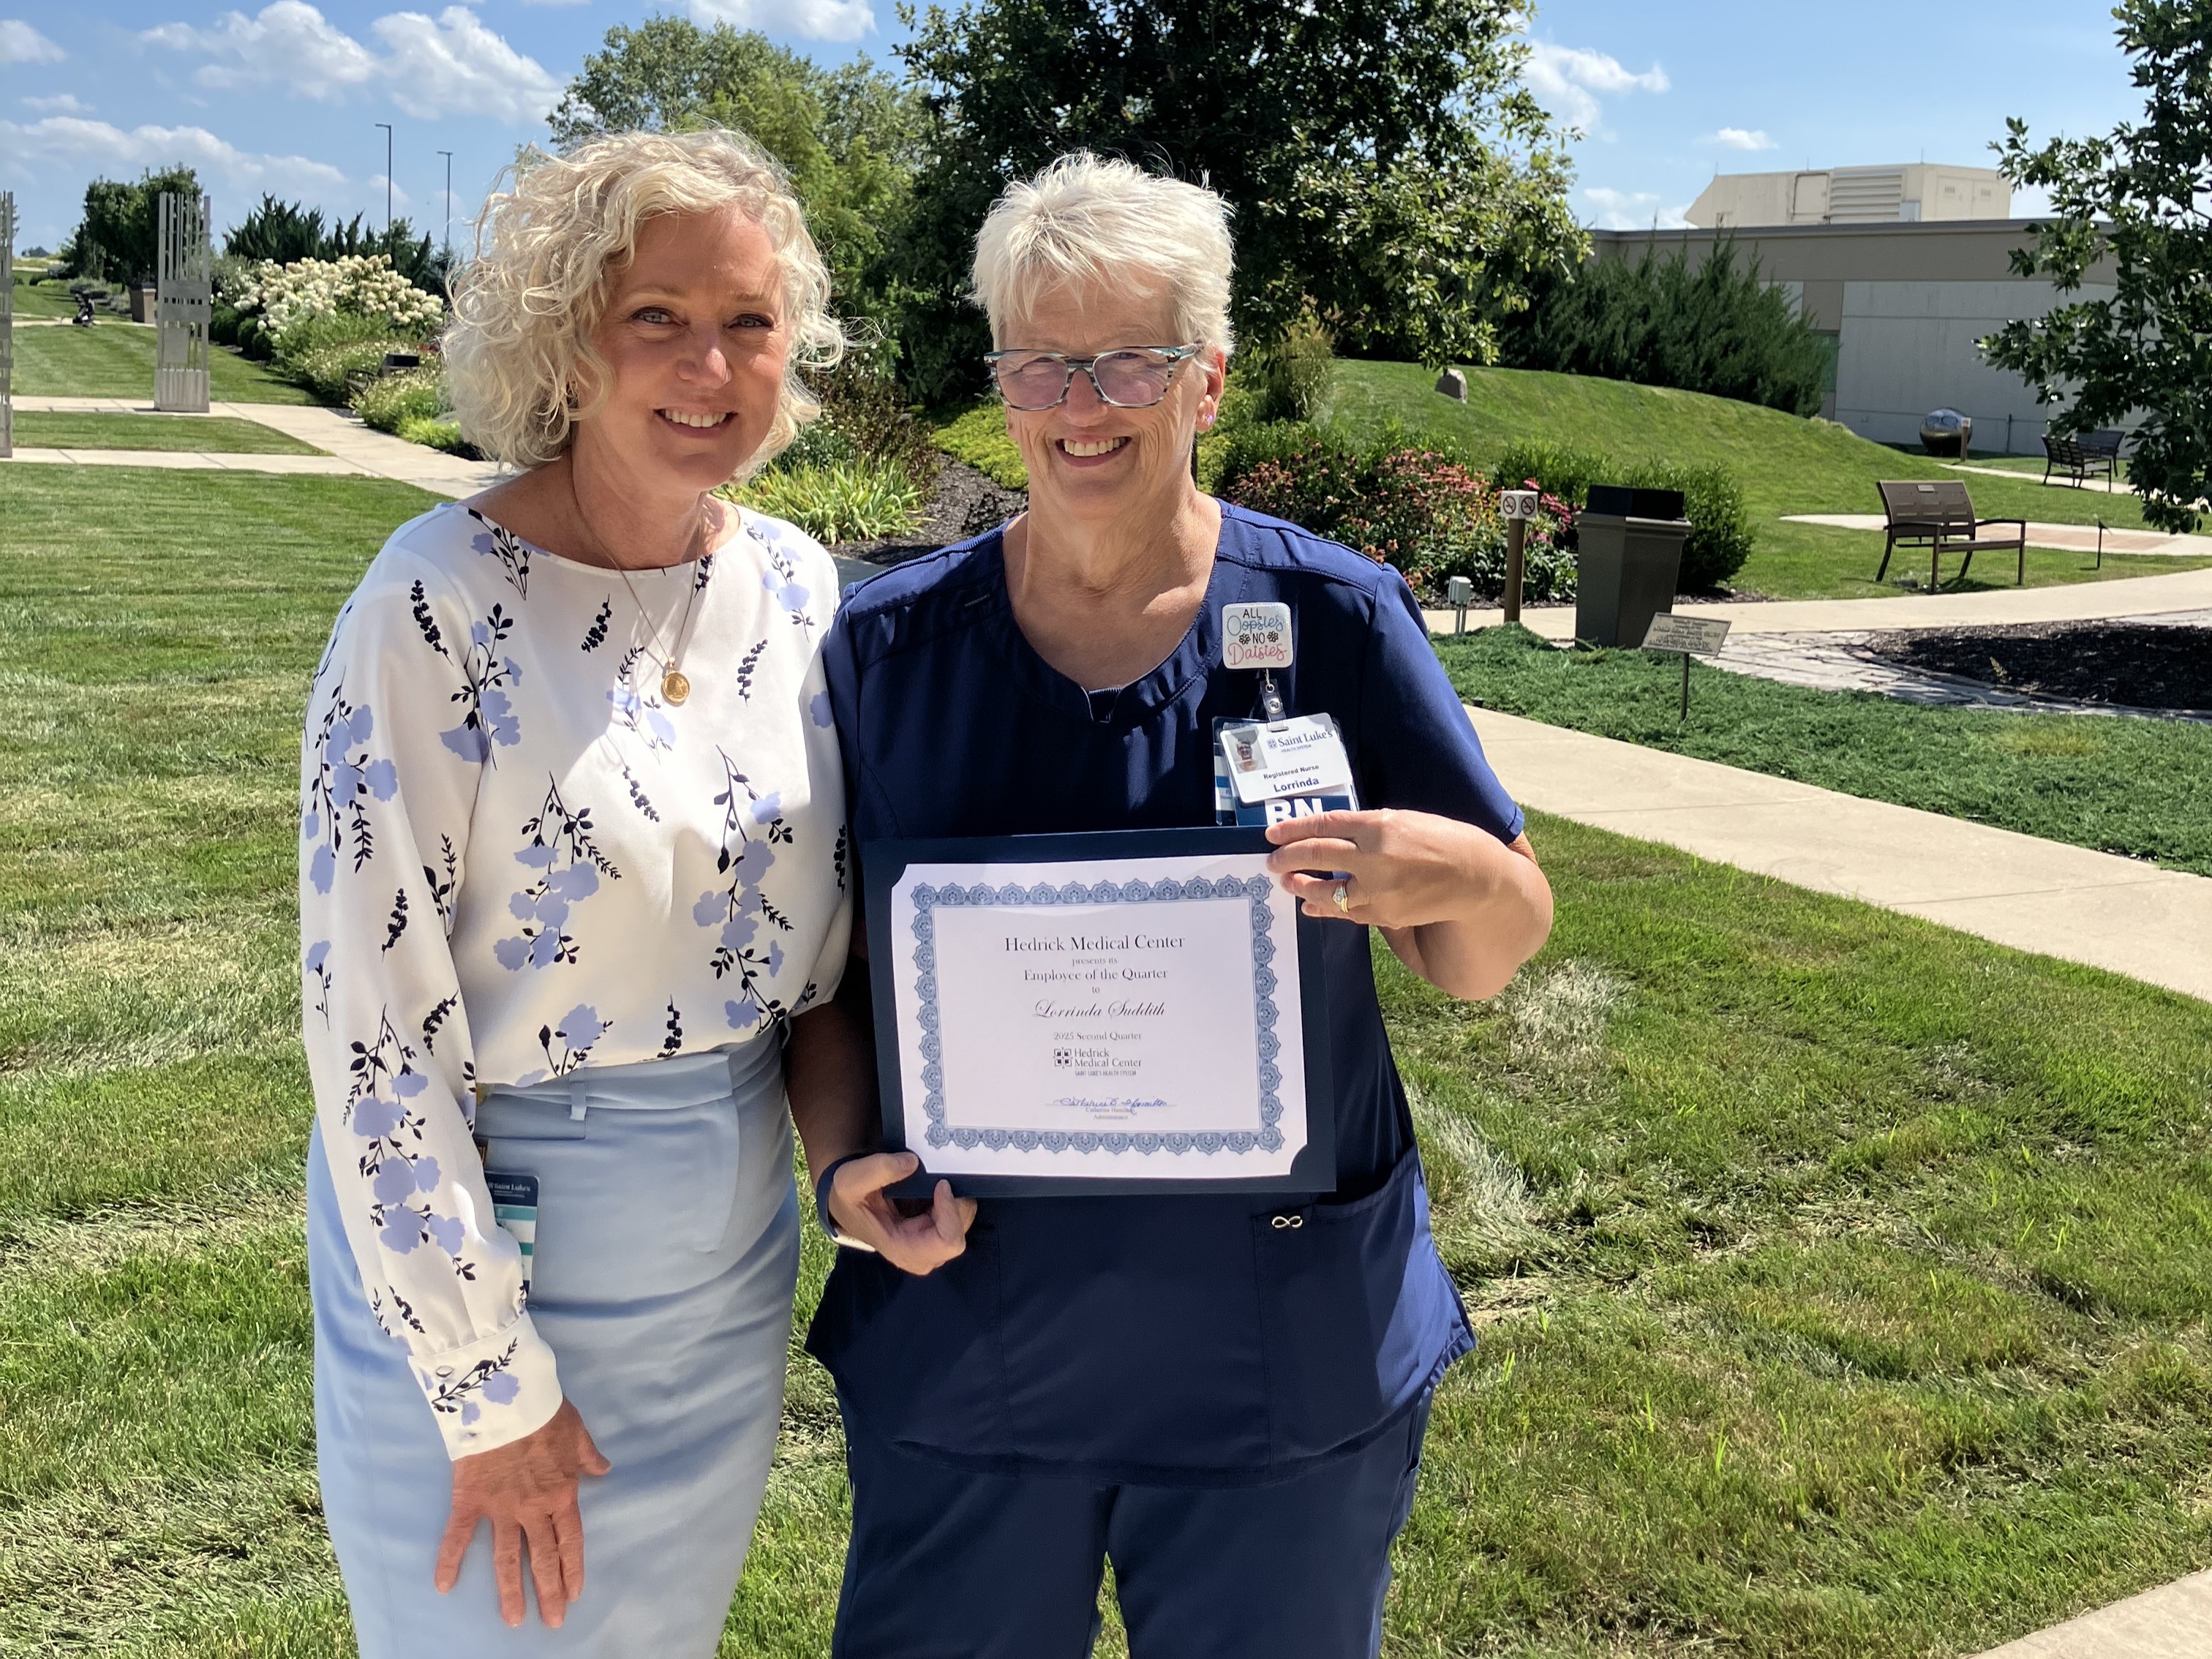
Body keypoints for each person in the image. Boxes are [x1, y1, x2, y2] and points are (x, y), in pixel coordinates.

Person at [806, 154, 1557, 1658]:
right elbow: (826, 981)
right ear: (1002, 385)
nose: (1084, 404)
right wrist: (842, 1175)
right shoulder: (888, 651)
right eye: (1044, 363)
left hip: (1278, 1344)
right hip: (976, 1333)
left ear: (1205, 379)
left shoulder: (1336, 617)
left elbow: (1486, 950)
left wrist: (1449, 871)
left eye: (1130, 361)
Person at [296, 127, 938, 1654]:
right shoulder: (429, 604)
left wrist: (849, 1169)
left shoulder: (795, 589)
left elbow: (818, 968)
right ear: (568, 339)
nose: (709, 361)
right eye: (657, 316)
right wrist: (484, 1387)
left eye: (750, 321)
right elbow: (371, 1039)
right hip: (484, 1274)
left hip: (722, 1283)